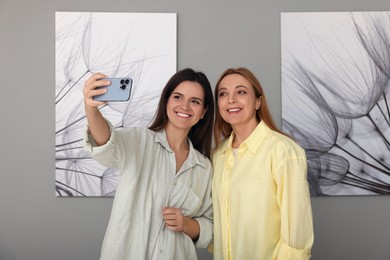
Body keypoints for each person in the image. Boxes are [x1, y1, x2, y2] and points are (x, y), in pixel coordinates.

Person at [83, 68, 214, 260]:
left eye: (195, 101)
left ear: (203, 112)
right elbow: (105, 143)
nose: (185, 106)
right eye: (178, 97)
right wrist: (90, 109)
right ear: (166, 101)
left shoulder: (204, 167)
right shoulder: (139, 140)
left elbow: (210, 225)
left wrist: (185, 223)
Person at [211, 67, 314, 259]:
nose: (231, 99)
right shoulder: (218, 155)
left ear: (258, 101)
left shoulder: (284, 151)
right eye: (223, 94)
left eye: (241, 92)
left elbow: (296, 235)